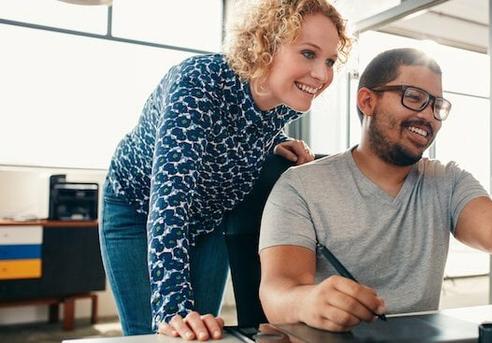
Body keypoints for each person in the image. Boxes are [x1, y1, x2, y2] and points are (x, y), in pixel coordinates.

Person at [99, 0, 351, 339]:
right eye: (308, 53)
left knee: (205, 332)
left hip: (210, 218)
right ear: (266, 45)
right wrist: (172, 308)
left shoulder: (283, 104)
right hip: (139, 211)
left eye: (330, 60)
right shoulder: (198, 84)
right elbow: (170, 203)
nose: (322, 74)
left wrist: (274, 140)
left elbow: (237, 127)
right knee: (163, 332)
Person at [258, 48, 492, 332]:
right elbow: (278, 293)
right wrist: (308, 301)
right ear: (367, 101)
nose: (429, 117)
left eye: (437, 106)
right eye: (414, 98)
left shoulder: (448, 180)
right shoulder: (300, 186)